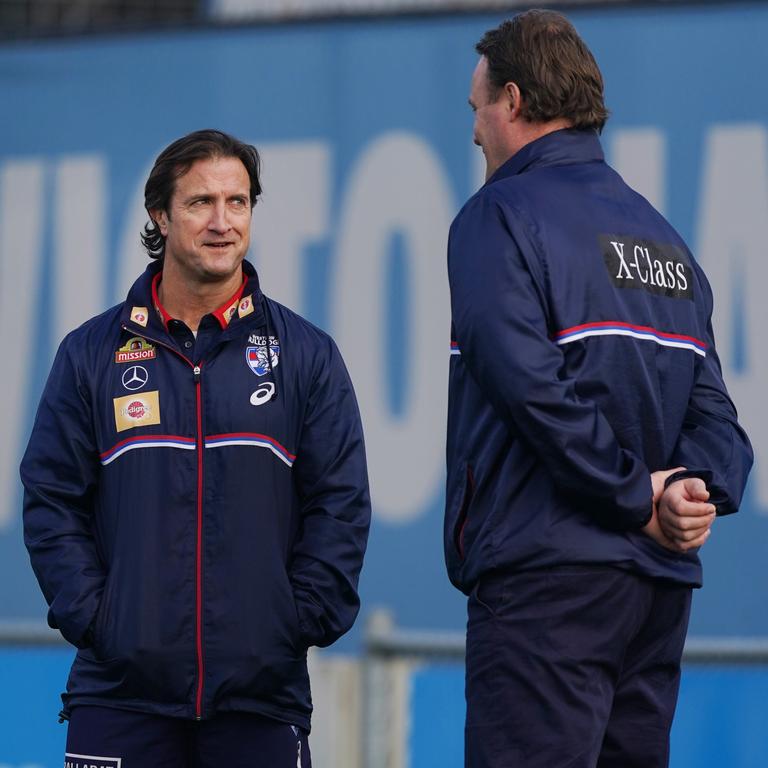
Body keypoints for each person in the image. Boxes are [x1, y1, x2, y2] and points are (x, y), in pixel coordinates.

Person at [444, 11, 752, 768]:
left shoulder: (498, 216)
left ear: (512, 101)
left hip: (546, 584)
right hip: (654, 597)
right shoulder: (662, 238)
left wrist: (635, 499)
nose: (475, 132)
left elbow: (529, 389)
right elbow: (719, 425)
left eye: (477, 108)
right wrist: (693, 492)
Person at [21, 129, 371, 767]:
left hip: (259, 701)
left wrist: (292, 624)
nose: (222, 222)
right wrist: (101, 621)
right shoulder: (90, 353)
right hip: (119, 696)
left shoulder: (307, 355)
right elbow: (52, 501)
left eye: (238, 202)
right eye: (200, 203)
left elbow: (339, 504)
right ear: (159, 214)